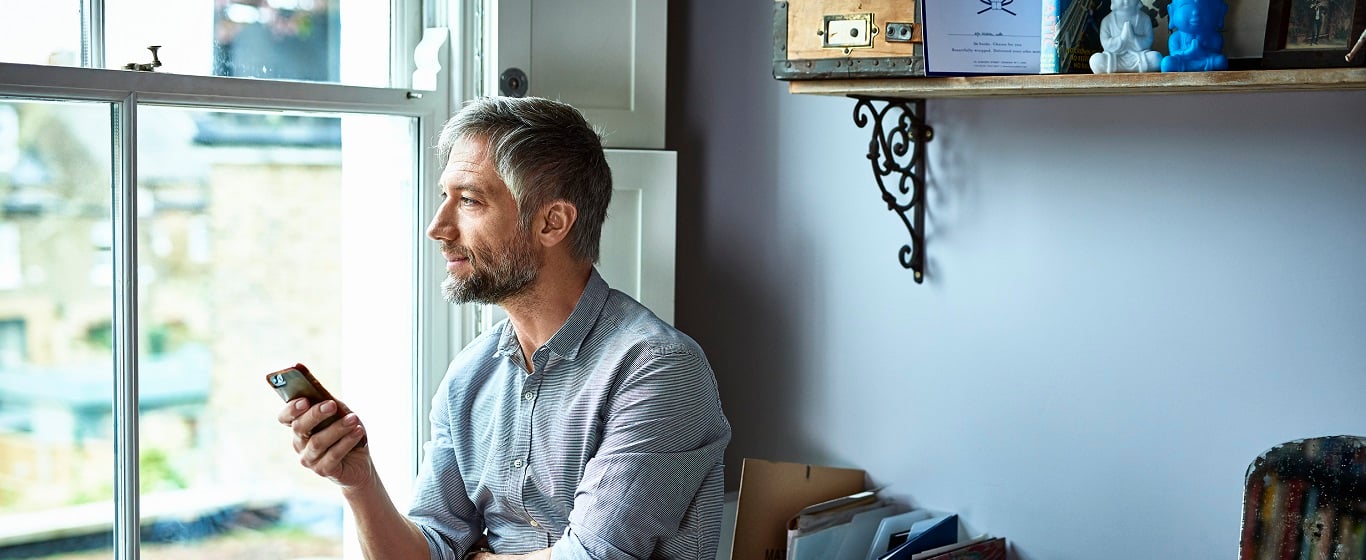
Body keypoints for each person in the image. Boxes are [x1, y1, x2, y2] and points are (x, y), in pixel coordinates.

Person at [278, 96, 732, 560]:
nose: (438, 227)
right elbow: (428, 550)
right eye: (444, 197)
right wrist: (358, 481)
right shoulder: (470, 375)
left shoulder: (658, 368)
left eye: (469, 200)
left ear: (552, 222)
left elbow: (592, 558)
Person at [1089, 0, 1163, 73]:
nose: (1126, 1)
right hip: (1115, 58)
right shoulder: (1107, 21)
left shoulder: (1145, 19)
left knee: (1156, 58)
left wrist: (1134, 38)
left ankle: (1123, 69)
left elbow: (1148, 40)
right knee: (1095, 60)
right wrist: (1121, 39)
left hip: (1138, 57)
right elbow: (1105, 43)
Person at [1160, 0, 1228, 72]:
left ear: (1219, 13)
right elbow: (1173, 53)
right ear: (1172, 12)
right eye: (1186, 6)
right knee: (1167, 62)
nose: (1196, 12)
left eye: (1204, 8)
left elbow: (1215, 52)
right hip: (1183, 61)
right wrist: (1187, 52)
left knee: (1220, 61)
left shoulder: (1215, 37)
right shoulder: (1175, 37)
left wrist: (1202, 52)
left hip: (1206, 61)